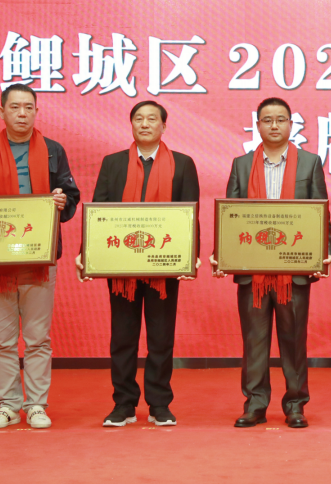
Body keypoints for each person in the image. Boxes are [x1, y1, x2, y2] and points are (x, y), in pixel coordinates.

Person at [0, 83, 80, 429]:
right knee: (2, 339)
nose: (22, 114)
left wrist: (62, 201)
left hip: (39, 259)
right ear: (2, 112)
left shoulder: (53, 151)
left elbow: (70, 197)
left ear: (37, 112)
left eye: (29, 107)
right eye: (15, 107)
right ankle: (8, 405)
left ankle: (37, 404)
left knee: (38, 338)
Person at [75, 100, 201, 428]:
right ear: (131, 124)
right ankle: (124, 404)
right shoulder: (113, 163)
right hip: (122, 267)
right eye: (138, 119)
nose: (145, 124)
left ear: (163, 126)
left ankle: (159, 404)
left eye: (151, 119)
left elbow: (190, 212)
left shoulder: (183, 164)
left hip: (163, 266)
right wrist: (87, 254)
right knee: (123, 337)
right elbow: (98, 212)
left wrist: (191, 256)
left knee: (161, 337)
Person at [211, 97, 331, 429]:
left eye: (281, 119)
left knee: (294, 341)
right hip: (253, 272)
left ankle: (295, 404)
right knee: (254, 341)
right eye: (267, 120)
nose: (274, 125)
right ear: (258, 125)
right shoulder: (241, 165)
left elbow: (320, 212)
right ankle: (255, 404)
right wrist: (222, 253)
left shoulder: (309, 163)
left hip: (294, 270)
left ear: (291, 124)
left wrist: (323, 252)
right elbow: (230, 215)